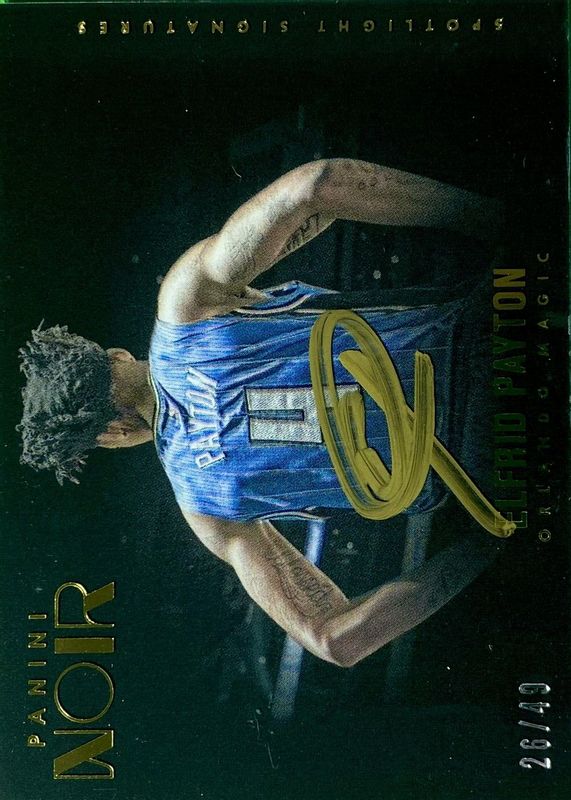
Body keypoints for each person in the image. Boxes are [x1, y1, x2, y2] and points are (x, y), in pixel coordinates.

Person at [19, 158, 503, 667]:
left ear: (113, 435)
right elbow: (318, 184)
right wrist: (496, 218)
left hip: (492, 468)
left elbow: (335, 639)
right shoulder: (185, 303)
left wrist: (486, 545)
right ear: (115, 355)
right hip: (489, 337)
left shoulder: (205, 508)